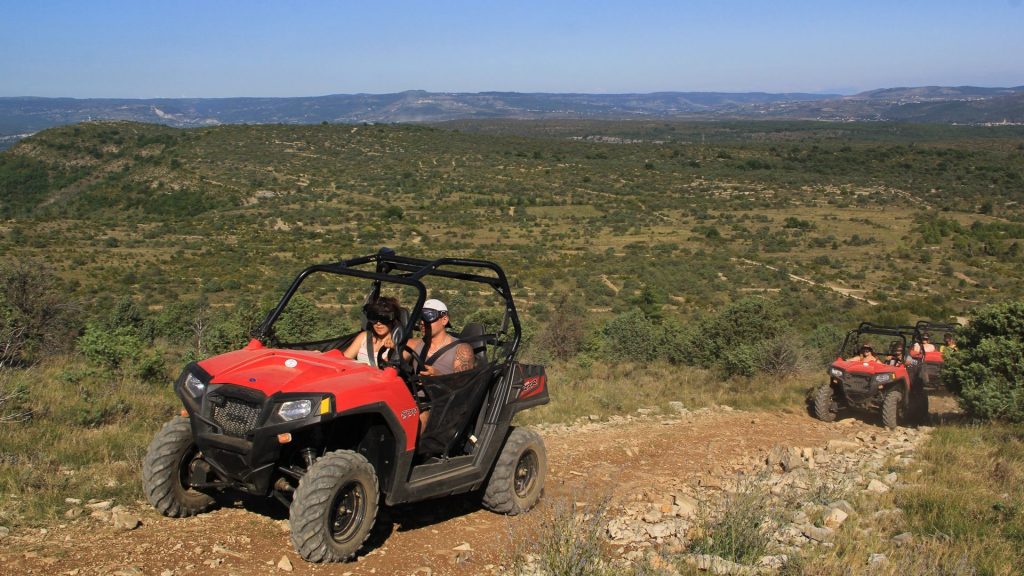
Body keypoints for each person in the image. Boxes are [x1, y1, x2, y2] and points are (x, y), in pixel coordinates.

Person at [407, 299, 475, 433]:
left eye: (428, 318)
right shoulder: (414, 344)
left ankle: (416, 453)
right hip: (413, 399)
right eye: (421, 317)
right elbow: (390, 360)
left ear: (444, 320)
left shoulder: (462, 349)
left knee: (418, 417)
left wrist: (438, 376)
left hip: (443, 404)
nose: (423, 322)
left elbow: (464, 387)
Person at [342, 296, 400, 367]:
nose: (378, 323)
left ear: (393, 320)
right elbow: (343, 360)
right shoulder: (364, 336)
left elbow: (388, 371)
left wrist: (395, 349)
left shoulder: (397, 343)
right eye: (374, 318)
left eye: (384, 319)